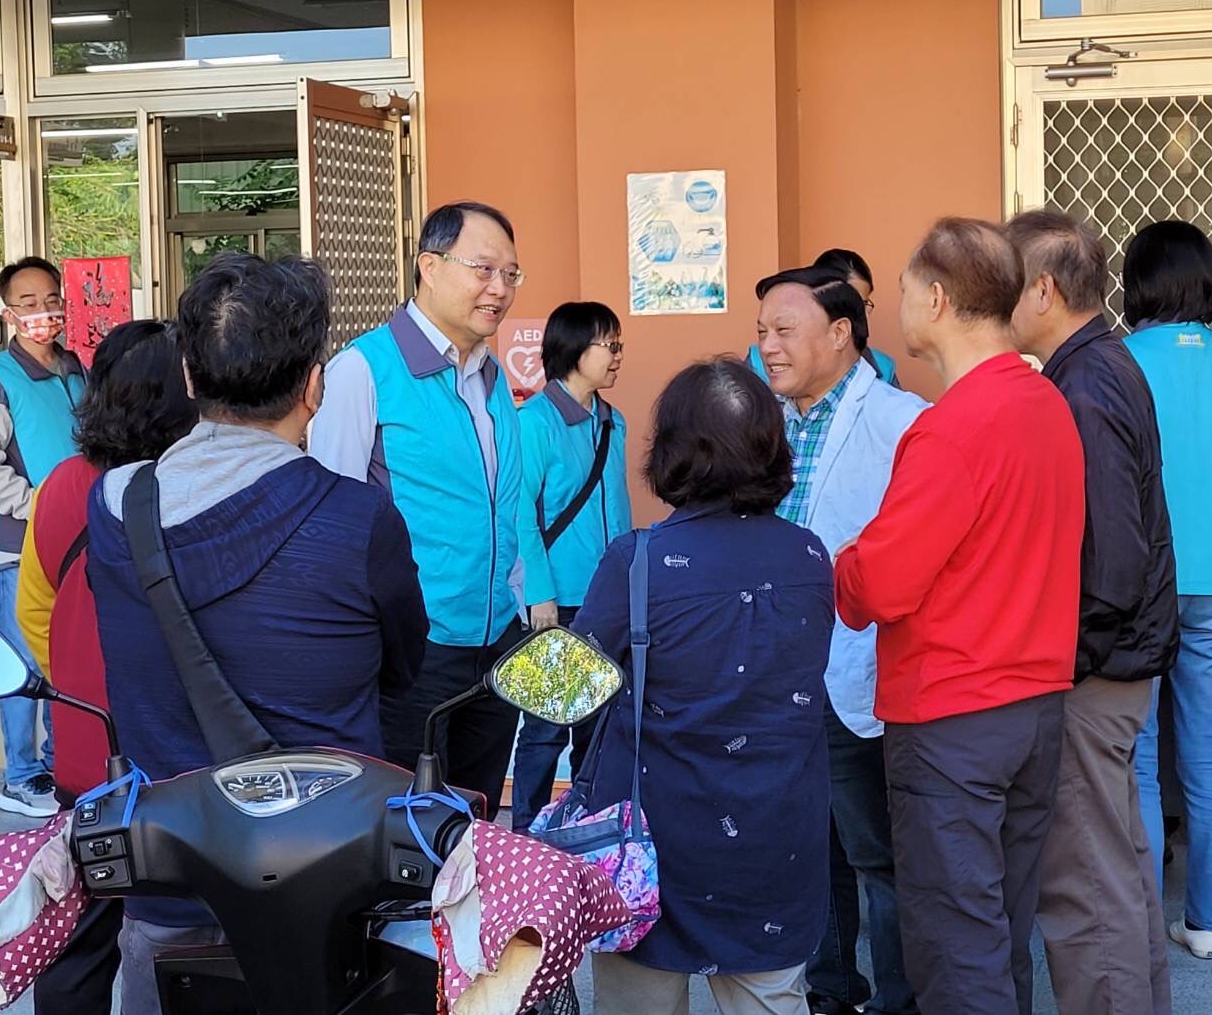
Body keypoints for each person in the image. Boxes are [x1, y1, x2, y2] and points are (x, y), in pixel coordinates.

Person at [87, 253, 428, 1015]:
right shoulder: (357, 518)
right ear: (314, 385)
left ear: (188, 373)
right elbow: (404, 667)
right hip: (325, 896)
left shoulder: (114, 508)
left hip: (168, 890)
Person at [833, 217, 1083, 1015]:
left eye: (905, 291)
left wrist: (843, 560)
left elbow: (879, 587)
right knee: (999, 930)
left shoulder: (949, 426)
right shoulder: (1045, 403)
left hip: (951, 717)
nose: (900, 308)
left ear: (936, 298)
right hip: (1034, 706)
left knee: (952, 944)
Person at [577, 358, 834, 1015]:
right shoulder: (810, 557)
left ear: (672, 450)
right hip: (776, 837)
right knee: (773, 999)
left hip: (654, 845)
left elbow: (568, 691)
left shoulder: (637, 562)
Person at [1006, 210, 1177, 1015]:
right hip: (1114, 658)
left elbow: (1110, 558)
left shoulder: (1084, 382)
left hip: (1095, 666)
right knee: (1117, 867)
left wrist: (1064, 660)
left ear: (1042, 290)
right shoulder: (1099, 364)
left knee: (1083, 884)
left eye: (1004, 285)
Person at [309, 201, 526, 819]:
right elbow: (331, 521)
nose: (499, 288)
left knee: (476, 824)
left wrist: (516, 608)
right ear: (430, 266)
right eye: (483, 269)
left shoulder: (490, 376)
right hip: (412, 653)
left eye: (511, 274)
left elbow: (503, 511)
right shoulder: (363, 371)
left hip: (496, 646)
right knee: (408, 831)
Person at [754, 266, 925, 1015]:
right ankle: (829, 989)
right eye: (762, 332)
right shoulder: (764, 423)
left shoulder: (901, 420)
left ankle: (898, 998)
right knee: (804, 845)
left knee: (875, 852)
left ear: (839, 333)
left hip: (856, 669)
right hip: (776, 671)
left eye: (783, 330)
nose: (768, 346)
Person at [15, 319, 197, 1015]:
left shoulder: (60, 485)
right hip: (177, 763)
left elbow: (36, 615)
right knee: (182, 948)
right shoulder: (192, 489)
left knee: (76, 946)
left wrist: (78, 689)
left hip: (86, 759)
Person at [1121, 220, 1212, 961]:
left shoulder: (1118, 360)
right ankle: (1207, 923)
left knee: (1138, 757)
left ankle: (1145, 922)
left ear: (1136, 282)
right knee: (1208, 757)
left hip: (1141, 578)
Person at [0, 257, 86, 817]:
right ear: (8, 313)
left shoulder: (76, 370)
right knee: (23, 665)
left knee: (65, 659)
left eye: (51, 300)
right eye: (28, 304)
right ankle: (21, 775)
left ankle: (59, 765)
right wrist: (38, 507)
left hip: (77, 545)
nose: (43, 312)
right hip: (22, 546)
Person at [511, 301, 632, 832]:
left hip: (606, 599)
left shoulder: (612, 422)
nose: (618, 356)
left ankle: (582, 829)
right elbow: (521, 515)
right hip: (558, 602)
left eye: (619, 346)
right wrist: (539, 592)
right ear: (574, 348)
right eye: (610, 345)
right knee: (544, 729)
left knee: (597, 726)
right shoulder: (535, 423)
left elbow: (620, 511)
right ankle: (525, 835)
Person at [748, 248, 897, 387]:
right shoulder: (757, 364)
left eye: (862, 303)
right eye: (762, 332)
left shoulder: (883, 368)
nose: (768, 348)